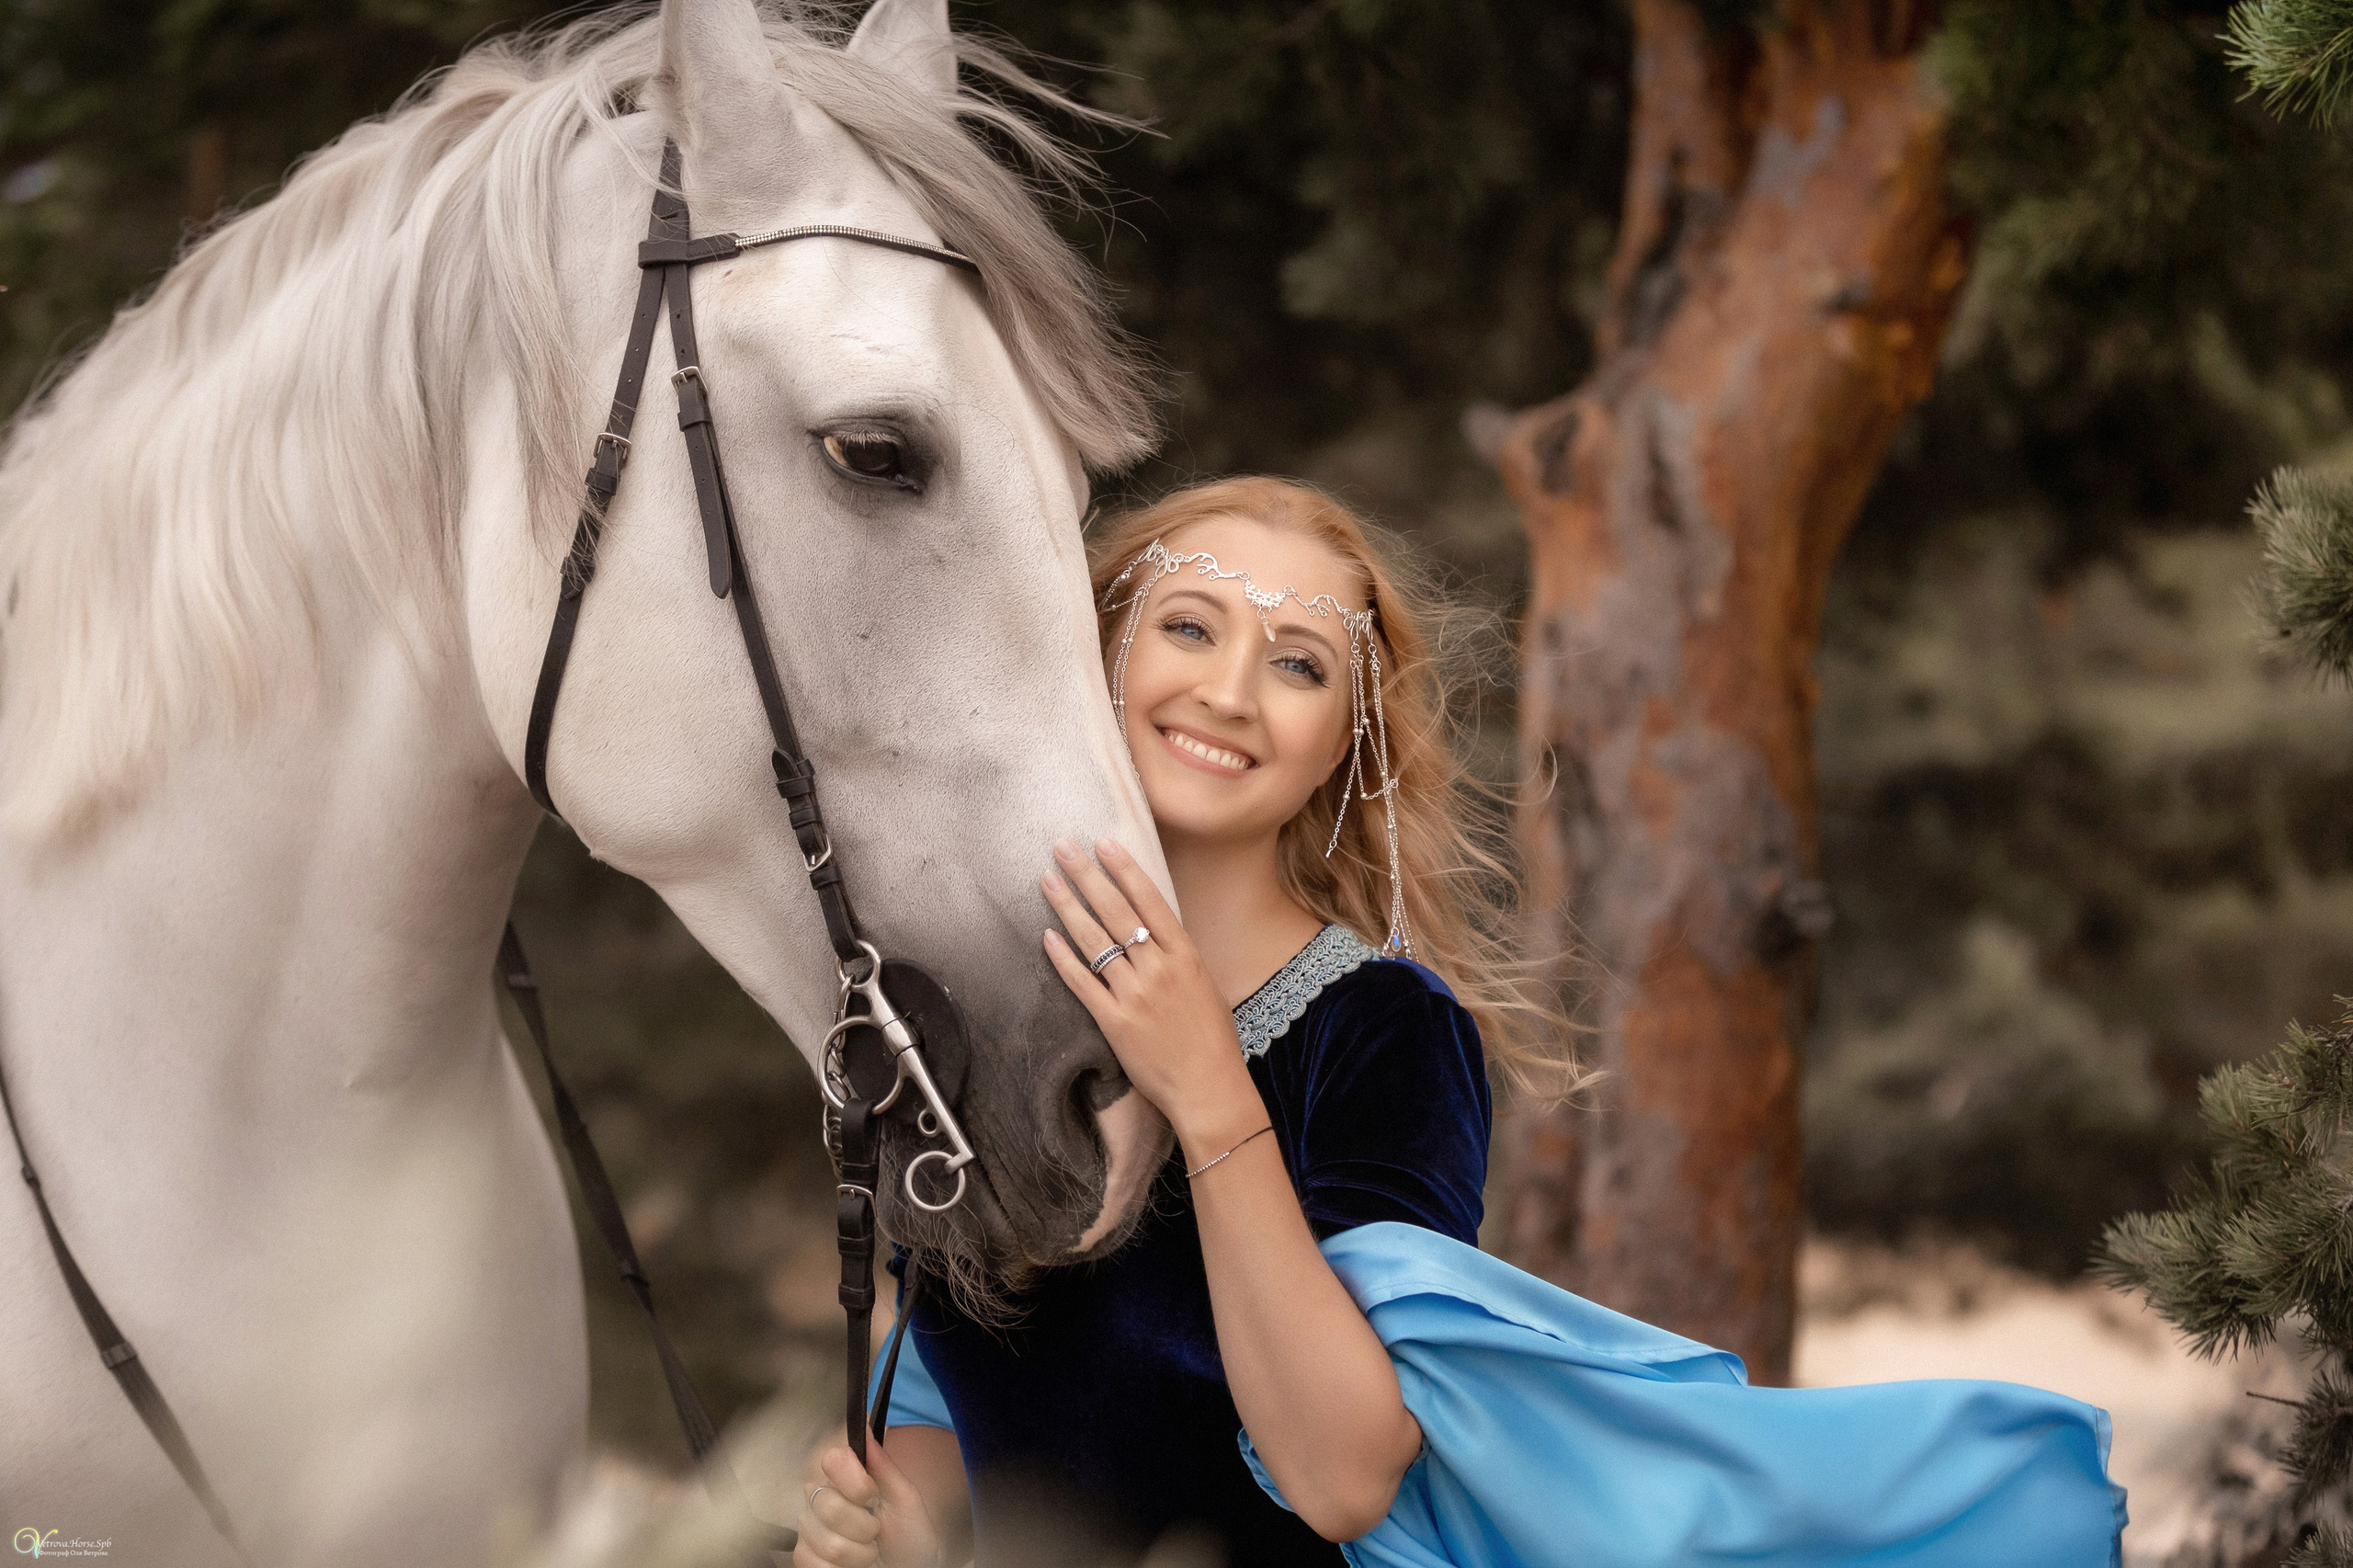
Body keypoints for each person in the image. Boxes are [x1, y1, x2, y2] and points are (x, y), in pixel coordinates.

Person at [790, 478, 2125, 1568]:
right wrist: (898, 1518)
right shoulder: (971, 1006)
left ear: (1345, 742)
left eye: (1298, 662)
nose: (1232, 690)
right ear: (1099, 653)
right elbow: (947, 1401)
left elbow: (1343, 1477)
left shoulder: (1382, 1031)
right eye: (1189, 626)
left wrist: (1209, 1091)